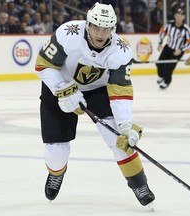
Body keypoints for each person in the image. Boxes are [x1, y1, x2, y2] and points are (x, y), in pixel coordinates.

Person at [34, 2, 155, 207]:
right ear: (87, 24)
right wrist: (63, 89)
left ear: (113, 29)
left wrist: (125, 127)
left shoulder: (120, 50)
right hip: (59, 84)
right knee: (56, 152)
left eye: (106, 28)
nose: (101, 33)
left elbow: (121, 91)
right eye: (96, 27)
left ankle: (139, 184)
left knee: (119, 139)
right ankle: (56, 172)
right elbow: (42, 65)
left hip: (98, 90)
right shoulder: (68, 33)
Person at [156, 8, 190, 89]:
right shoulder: (169, 25)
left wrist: (181, 50)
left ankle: (166, 82)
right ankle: (161, 77)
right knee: (159, 63)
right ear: (175, 16)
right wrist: (160, 43)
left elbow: (189, 42)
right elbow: (162, 32)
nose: (179, 18)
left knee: (168, 67)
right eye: (177, 16)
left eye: (181, 16)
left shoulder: (186, 29)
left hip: (178, 51)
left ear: (183, 17)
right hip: (168, 47)